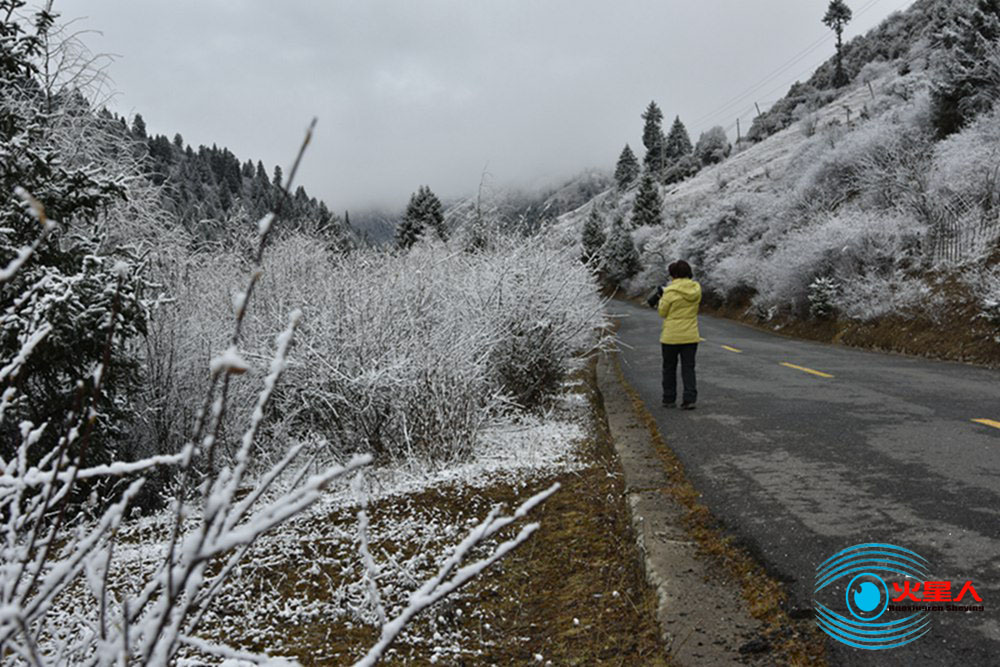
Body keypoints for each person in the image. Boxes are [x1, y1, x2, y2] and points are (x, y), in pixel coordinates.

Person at [656, 260, 702, 409]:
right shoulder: (696, 290)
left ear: (673, 275)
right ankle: (689, 399)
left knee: (669, 368)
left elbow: (662, 312)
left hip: (671, 336)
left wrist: (661, 297)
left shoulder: (669, 292)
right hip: (690, 335)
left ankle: (669, 399)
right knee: (688, 368)